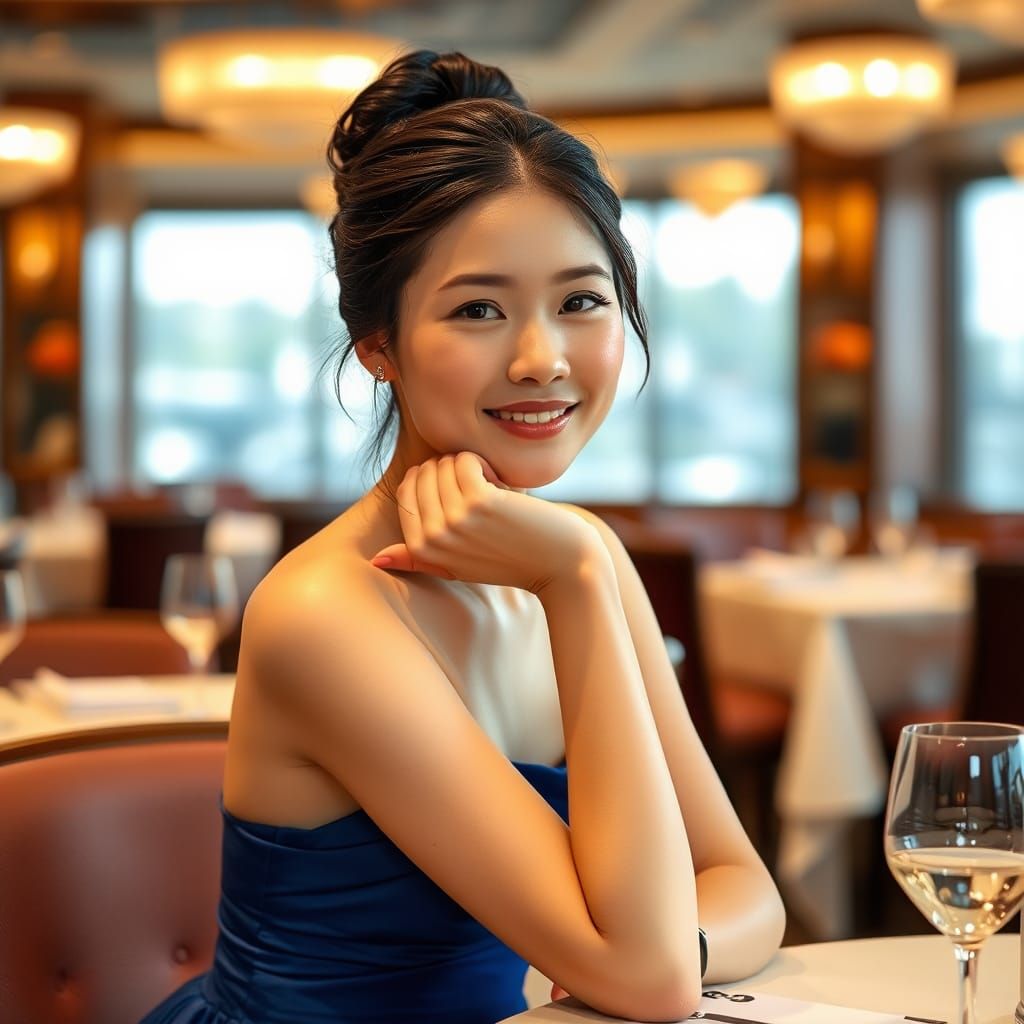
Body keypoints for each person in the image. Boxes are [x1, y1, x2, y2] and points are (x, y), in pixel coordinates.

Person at [141, 49, 785, 1024]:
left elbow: (740, 885)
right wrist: (569, 577)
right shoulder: (328, 612)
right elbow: (650, 983)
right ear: (379, 345)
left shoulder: (584, 550)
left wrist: (671, 944)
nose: (541, 358)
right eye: (478, 309)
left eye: (581, 300)